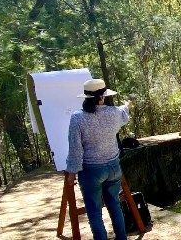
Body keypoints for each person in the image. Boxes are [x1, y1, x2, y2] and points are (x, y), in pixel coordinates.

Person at [66, 79, 130, 240]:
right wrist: (127, 106)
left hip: (91, 171)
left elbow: (75, 149)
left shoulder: (77, 118)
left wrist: (72, 173)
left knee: (94, 211)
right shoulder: (114, 112)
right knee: (114, 204)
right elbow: (123, 115)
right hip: (114, 167)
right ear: (103, 96)